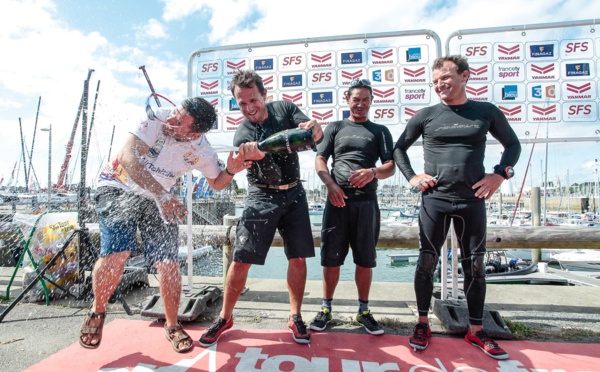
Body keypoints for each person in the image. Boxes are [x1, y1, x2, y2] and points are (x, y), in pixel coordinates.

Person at [79, 97, 250, 353]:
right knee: (118, 253)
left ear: (194, 133)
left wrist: (232, 170)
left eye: (179, 121)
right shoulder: (157, 116)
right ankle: (97, 311)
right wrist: (162, 194)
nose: (171, 120)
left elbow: (216, 182)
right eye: (175, 113)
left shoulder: (203, 151)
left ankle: (172, 325)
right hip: (117, 186)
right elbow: (126, 156)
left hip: (159, 196)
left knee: (168, 262)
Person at [394, 55, 520, 360]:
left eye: (446, 78)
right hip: (434, 199)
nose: (440, 85)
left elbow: (512, 145)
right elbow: (398, 148)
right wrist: (413, 178)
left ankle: (475, 330)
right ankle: (422, 322)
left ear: (465, 76)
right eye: (435, 81)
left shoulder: (485, 112)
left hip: (471, 200)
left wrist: (499, 175)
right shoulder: (425, 115)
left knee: (475, 266)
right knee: (426, 261)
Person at [199, 69, 323, 346]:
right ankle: (225, 316)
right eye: (242, 103)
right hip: (260, 196)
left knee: (298, 257)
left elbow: (310, 136)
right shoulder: (243, 133)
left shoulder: (286, 109)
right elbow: (254, 171)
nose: (249, 107)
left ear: (264, 95)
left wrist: (314, 128)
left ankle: (295, 316)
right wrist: (255, 156)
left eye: (253, 100)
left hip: (295, 194)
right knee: (241, 259)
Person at [309, 78, 395, 335]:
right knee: (331, 259)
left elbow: (390, 166)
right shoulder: (335, 127)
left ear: (371, 102)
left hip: (367, 203)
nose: (360, 104)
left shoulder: (380, 131)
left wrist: (372, 172)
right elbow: (320, 159)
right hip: (337, 200)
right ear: (347, 99)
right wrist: (330, 185)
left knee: (365, 260)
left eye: (365, 100)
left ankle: (364, 311)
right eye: (356, 99)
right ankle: (325, 309)